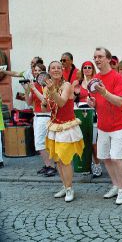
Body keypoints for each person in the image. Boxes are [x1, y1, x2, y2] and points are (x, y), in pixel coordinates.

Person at [87, 47, 122, 205]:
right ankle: (115, 185)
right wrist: (93, 103)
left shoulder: (117, 77)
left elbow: (119, 102)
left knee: (116, 157)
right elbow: (99, 102)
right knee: (105, 157)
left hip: (119, 125)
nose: (97, 59)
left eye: (100, 57)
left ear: (108, 59)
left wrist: (104, 93)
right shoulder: (95, 78)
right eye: (95, 57)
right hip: (103, 125)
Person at [43, 61, 84, 202]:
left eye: (59, 68)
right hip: (54, 126)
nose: (56, 70)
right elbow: (46, 108)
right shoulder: (48, 86)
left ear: (62, 71)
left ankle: (69, 188)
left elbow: (61, 102)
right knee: (58, 160)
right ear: (49, 71)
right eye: (53, 68)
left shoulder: (66, 85)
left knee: (65, 159)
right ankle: (64, 185)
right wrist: (44, 99)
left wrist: (51, 91)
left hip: (67, 126)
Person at [23, 62, 56, 177]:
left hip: (45, 116)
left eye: (39, 71)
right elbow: (28, 102)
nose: (36, 72)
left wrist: (34, 89)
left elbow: (45, 101)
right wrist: (27, 90)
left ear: (44, 72)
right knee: (41, 143)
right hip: (37, 116)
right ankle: (47, 165)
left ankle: (51, 166)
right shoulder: (35, 85)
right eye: (35, 70)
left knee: (40, 143)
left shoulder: (47, 85)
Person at [73, 61, 102, 177]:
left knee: (94, 141)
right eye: (85, 67)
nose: (87, 69)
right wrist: (75, 92)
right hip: (80, 113)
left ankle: (97, 164)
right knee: (83, 140)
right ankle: (86, 164)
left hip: (94, 113)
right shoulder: (78, 83)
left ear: (93, 69)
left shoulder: (97, 82)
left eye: (89, 67)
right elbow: (73, 98)